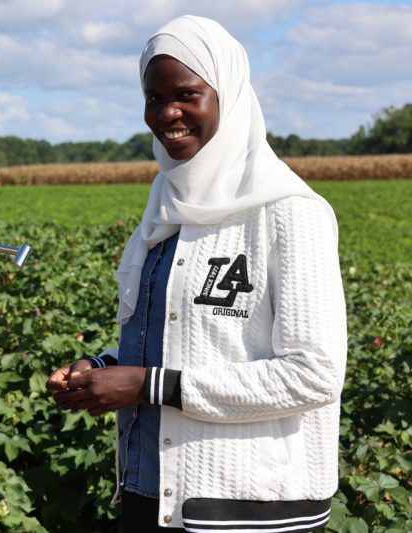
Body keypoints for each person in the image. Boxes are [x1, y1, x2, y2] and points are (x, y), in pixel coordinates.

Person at [47, 15, 346, 532]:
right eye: (153, 98)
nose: (168, 114)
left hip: (249, 511)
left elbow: (313, 374)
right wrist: (101, 368)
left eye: (186, 94)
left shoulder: (288, 213)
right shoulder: (165, 210)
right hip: (153, 496)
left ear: (226, 96)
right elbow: (186, 339)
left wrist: (147, 385)